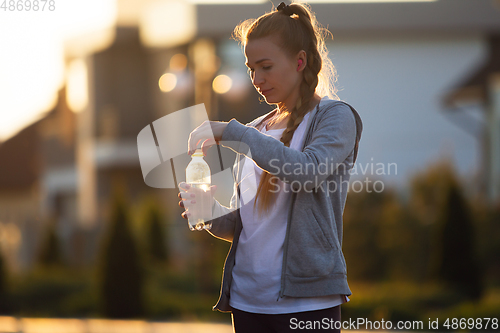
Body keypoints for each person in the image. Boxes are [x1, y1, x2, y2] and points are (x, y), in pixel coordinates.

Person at [178, 1, 362, 332]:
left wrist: (232, 132)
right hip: (247, 303)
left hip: (307, 304)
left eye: (265, 66)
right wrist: (209, 212)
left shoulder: (334, 117)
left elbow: (307, 171)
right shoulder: (257, 129)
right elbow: (245, 226)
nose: (256, 79)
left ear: (299, 61)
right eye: (250, 69)